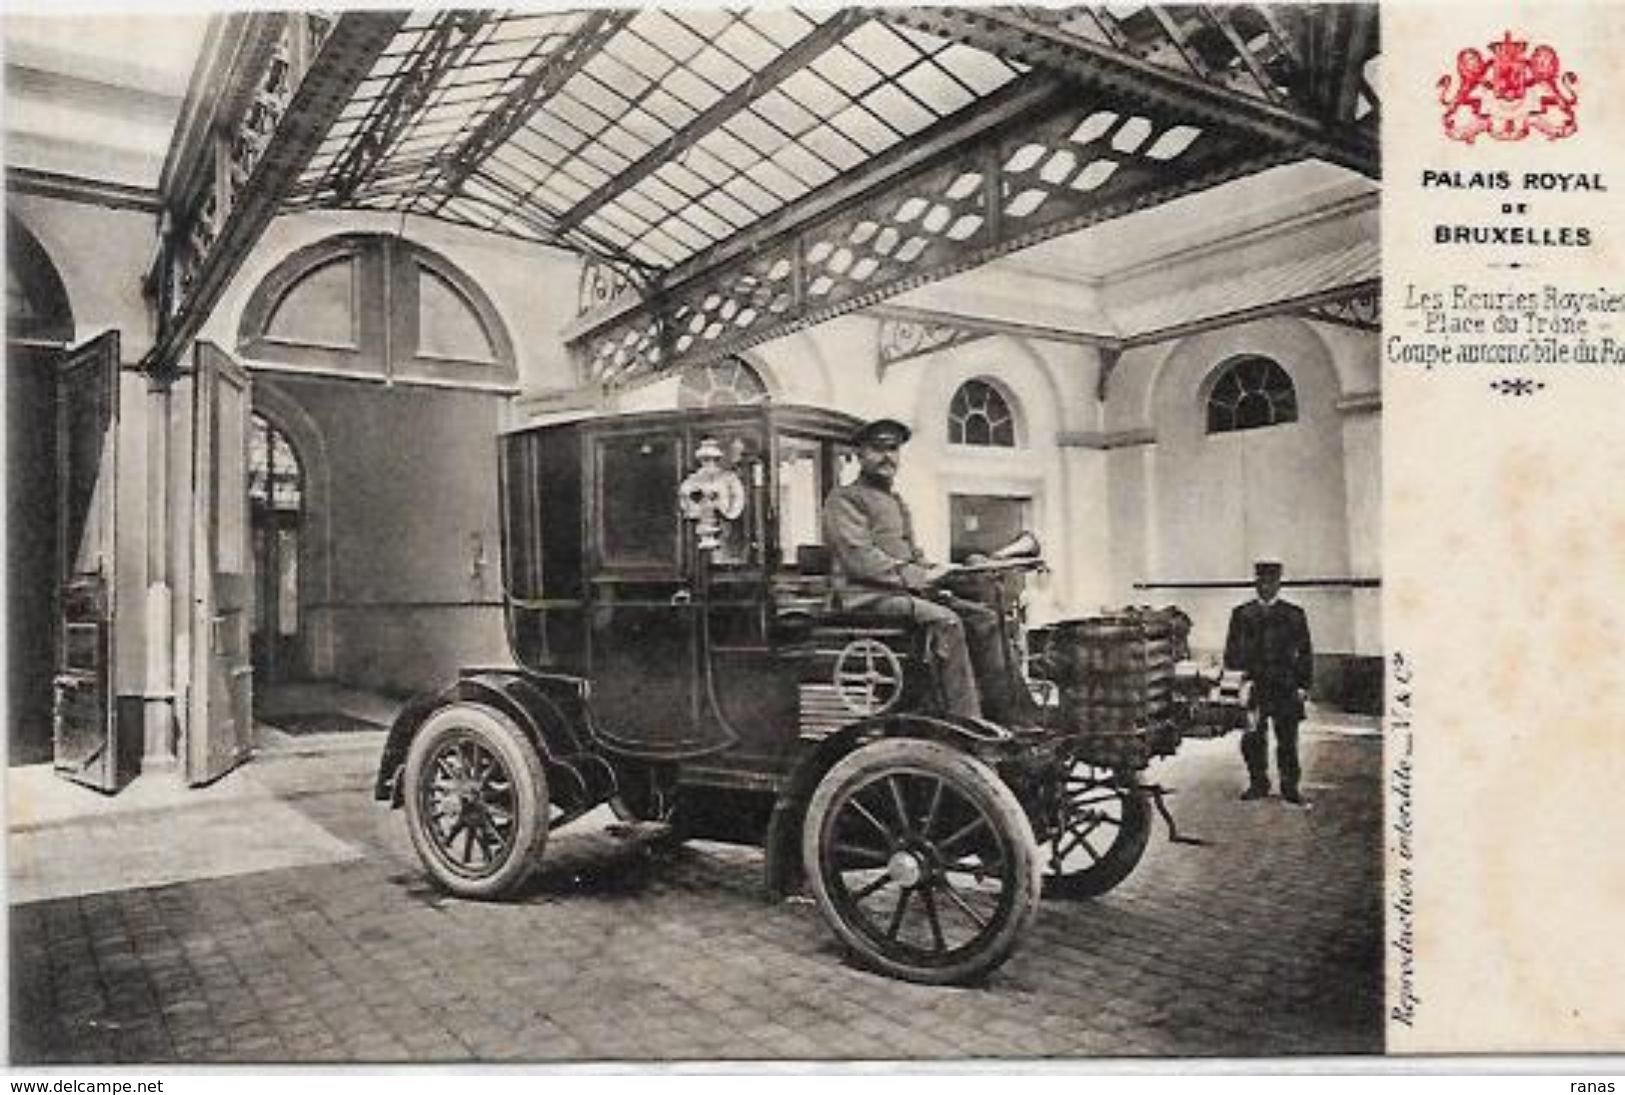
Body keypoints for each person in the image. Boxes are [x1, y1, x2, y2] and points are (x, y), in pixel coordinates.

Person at [821, 418, 1029, 724]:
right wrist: (918, 576)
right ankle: (965, 722)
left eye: (893, 449)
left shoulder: (896, 502)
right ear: (860, 454)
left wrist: (940, 570)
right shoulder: (844, 499)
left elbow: (910, 555)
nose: (887, 457)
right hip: (863, 597)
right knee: (946, 621)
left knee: (985, 619)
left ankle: (1013, 716)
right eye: (878, 449)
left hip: (899, 592)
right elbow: (860, 558)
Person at [1224, 557, 1315, 805]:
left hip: (1285, 686)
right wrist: (1234, 685)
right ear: (1256, 583)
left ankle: (1290, 787)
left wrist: (1303, 686)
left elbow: (1305, 652)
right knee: (1253, 738)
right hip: (1254, 687)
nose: (1265, 586)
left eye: (1270, 582)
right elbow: (1230, 653)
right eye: (1260, 582)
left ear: (1278, 584)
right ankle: (1258, 784)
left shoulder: (1294, 614)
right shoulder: (1241, 614)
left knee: (1287, 740)